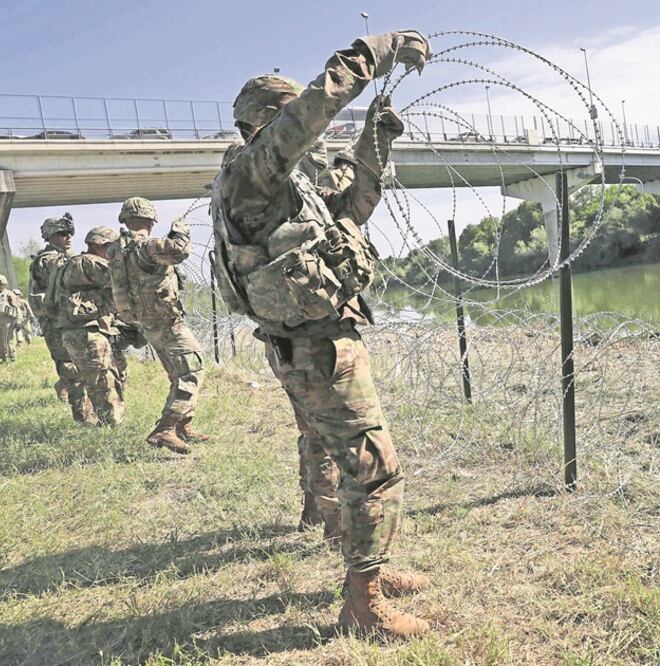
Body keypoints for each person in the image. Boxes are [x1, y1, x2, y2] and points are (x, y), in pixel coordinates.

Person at [210, 30, 432, 637]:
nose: (303, 131)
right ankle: (364, 605)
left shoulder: (282, 188)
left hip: (318, 339)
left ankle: (365, 565)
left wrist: (375, 140)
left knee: (342, 455)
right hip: (314, 345)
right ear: (265, 122)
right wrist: (373, 53)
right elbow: (315, 107)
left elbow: (352, 205)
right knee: (374, 467)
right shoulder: (253, 173)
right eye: (287, 118)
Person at [110, 196, 208, 454]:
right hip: (165, 320)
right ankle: (166, 428)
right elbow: (178, 251)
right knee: (192, 369)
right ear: (152, 220)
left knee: (178, 371)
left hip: (145, 319)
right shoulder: (145, 245)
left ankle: (183, 426)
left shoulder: (117, 248)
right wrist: (180, 231)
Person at [50, 226, 125, 426]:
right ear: (100, 245)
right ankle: (111, 428)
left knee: (100, 378)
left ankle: (104, 422)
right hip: (87, 332)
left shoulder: (73, 263)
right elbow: (119, 277)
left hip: (82, 331)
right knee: (101, 381)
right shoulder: (88, 263)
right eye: (111, 247)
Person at [30, 213, 94, 424]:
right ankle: (81, 417)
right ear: (49, 236)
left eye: (69, 233)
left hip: (74, 320)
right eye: (61, 233)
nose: (67, 237)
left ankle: (84, 402)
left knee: (87, 365)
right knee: (70, 368)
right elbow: (66, 273)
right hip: (55, 323)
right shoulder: (46, 260)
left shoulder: (68, 257)